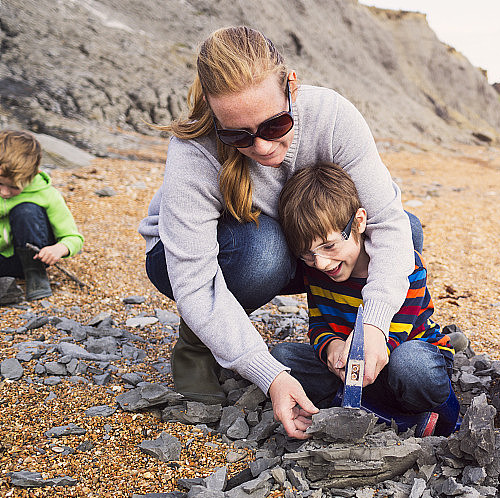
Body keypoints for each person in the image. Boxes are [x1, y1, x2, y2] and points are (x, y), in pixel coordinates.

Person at [138, 26, 421, 439]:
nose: (263, 148)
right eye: (237, 135)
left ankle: (351, 336)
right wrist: (270, 375)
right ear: (215, 118)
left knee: (408, 230)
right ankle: (198, 340)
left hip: (298, 246)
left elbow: (387, 223)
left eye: (274, 125)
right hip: (188, 258)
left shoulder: (332, 117)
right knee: (264, 253)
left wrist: (374, 326)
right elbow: (194, 281)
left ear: (291, 86)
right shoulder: (194, 150)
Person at [275, 162, 461, 436]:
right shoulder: (316, 270)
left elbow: (396, 335)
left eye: (329, 246)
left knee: (411, 366)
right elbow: (319, 325)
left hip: (402, 356)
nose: (322, 263)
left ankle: (446, 416)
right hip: (351, 370)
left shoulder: (404, 266)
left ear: (359, 222)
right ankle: (394, 419)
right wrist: (332, 348)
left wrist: (361, 358)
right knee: (283, 359)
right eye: (307, 254)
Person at [0, 130, 84, 300]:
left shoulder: (46, 194)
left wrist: (58, 249)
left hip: (29, 259)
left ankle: (35, 276)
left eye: (14, 187)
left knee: (26, 211)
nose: (4, 192)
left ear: (33, 175)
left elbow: (74, 238)